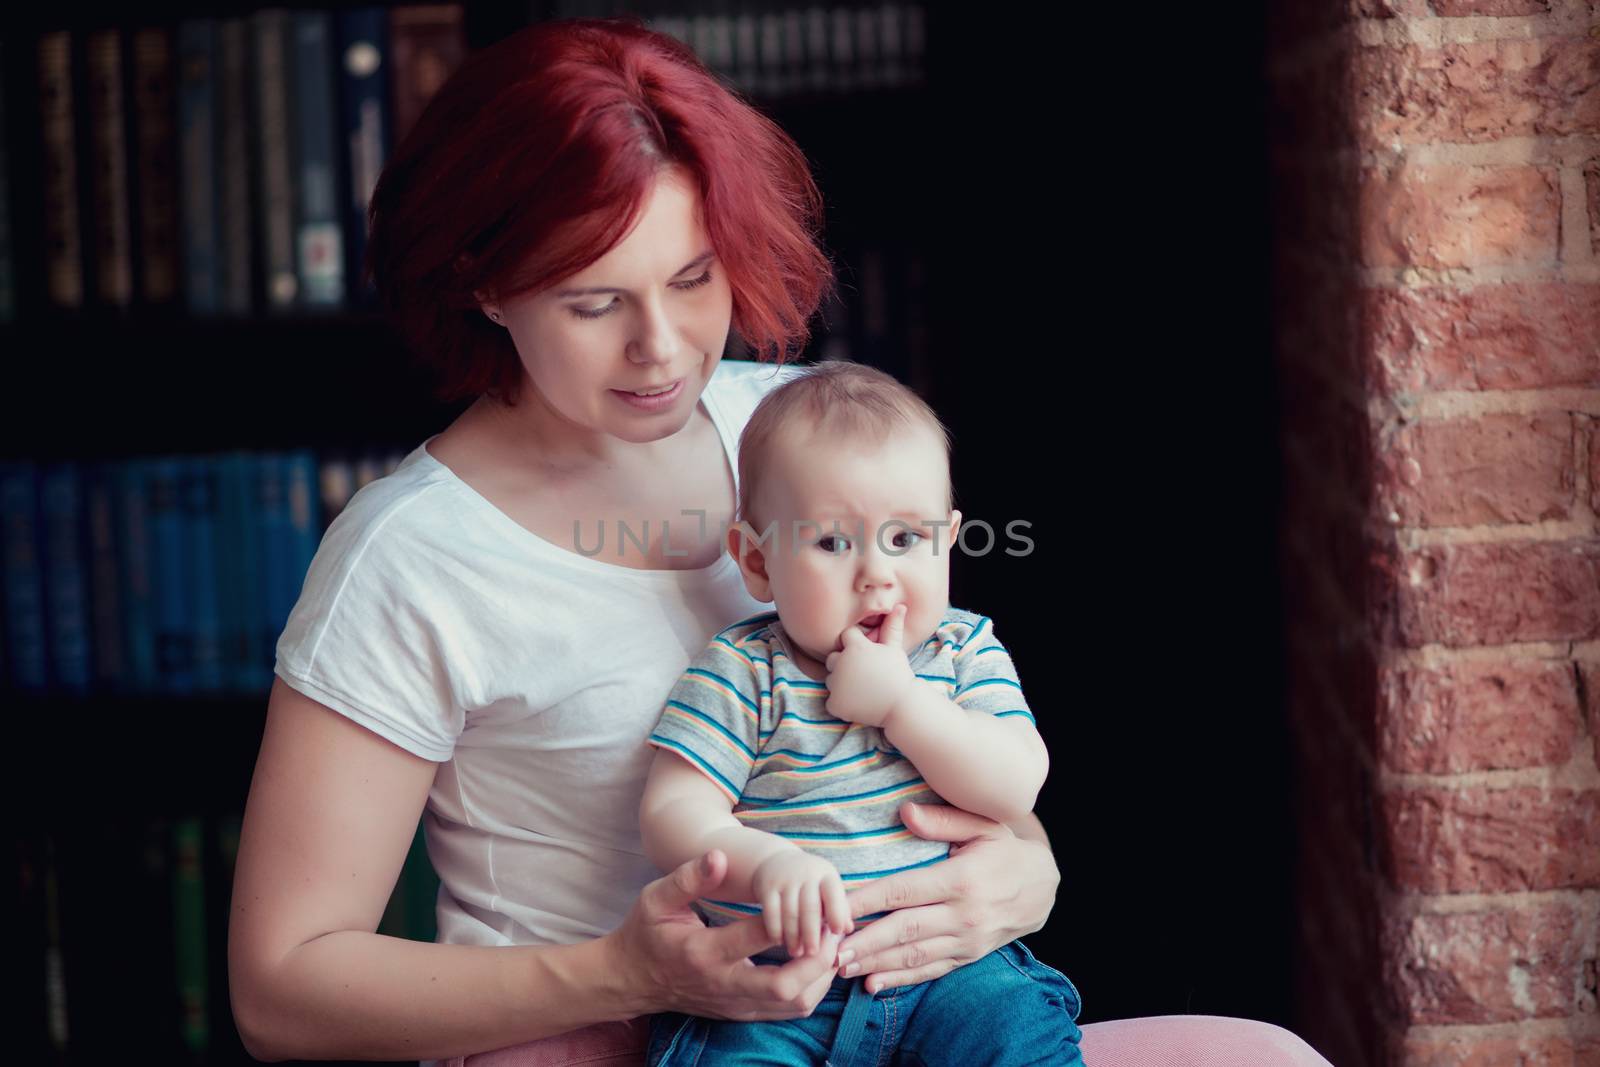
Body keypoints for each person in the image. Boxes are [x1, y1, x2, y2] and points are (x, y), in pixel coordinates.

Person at [226, 16, 1335, 1067]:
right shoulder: (411, 555)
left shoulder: (797, 433)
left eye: (693, 277)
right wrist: (620, 970)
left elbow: (955, 723)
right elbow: (281, 988)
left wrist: (1025, 874)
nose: (660, 347)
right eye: (590, 300)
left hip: (907, 1011)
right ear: (482, 284)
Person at [638, 361, 1082, 1065]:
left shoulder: (962, 650)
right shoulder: (746, 668)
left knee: (1017, 1031)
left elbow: (1015, 783)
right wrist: (763, 863)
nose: (877, 572)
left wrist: (904, 703)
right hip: (776, 989)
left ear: (947, 538)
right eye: (833, 542)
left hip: (949, 977)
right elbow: (671, 812)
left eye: (906, 539)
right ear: (756, 562)